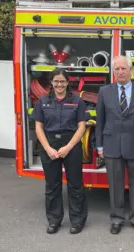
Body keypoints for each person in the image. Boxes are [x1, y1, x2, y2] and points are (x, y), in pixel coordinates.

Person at [95, 55, 134, 235]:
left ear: (130, 70)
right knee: (115, 184)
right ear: (113, 71)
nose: (120, 72)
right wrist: (99, 146)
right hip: (112, 144)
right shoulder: (104, 92)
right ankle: (116, 219)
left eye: (123, 68)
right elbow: (100, 120)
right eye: (117, 69)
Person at [30, 68, 89, 234]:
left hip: (71, 145)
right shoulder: (42, 102)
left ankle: (77, 221)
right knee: (52, 186)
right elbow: (38, 127)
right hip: (49, 145)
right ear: (51, 82)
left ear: (67, 82)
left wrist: (68, 147)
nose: (59, 84)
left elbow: (81, 127)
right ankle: (54, 220)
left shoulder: (77, 101)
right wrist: (48, 148)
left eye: (62, 81)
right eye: (56, 81)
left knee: (75, 185)